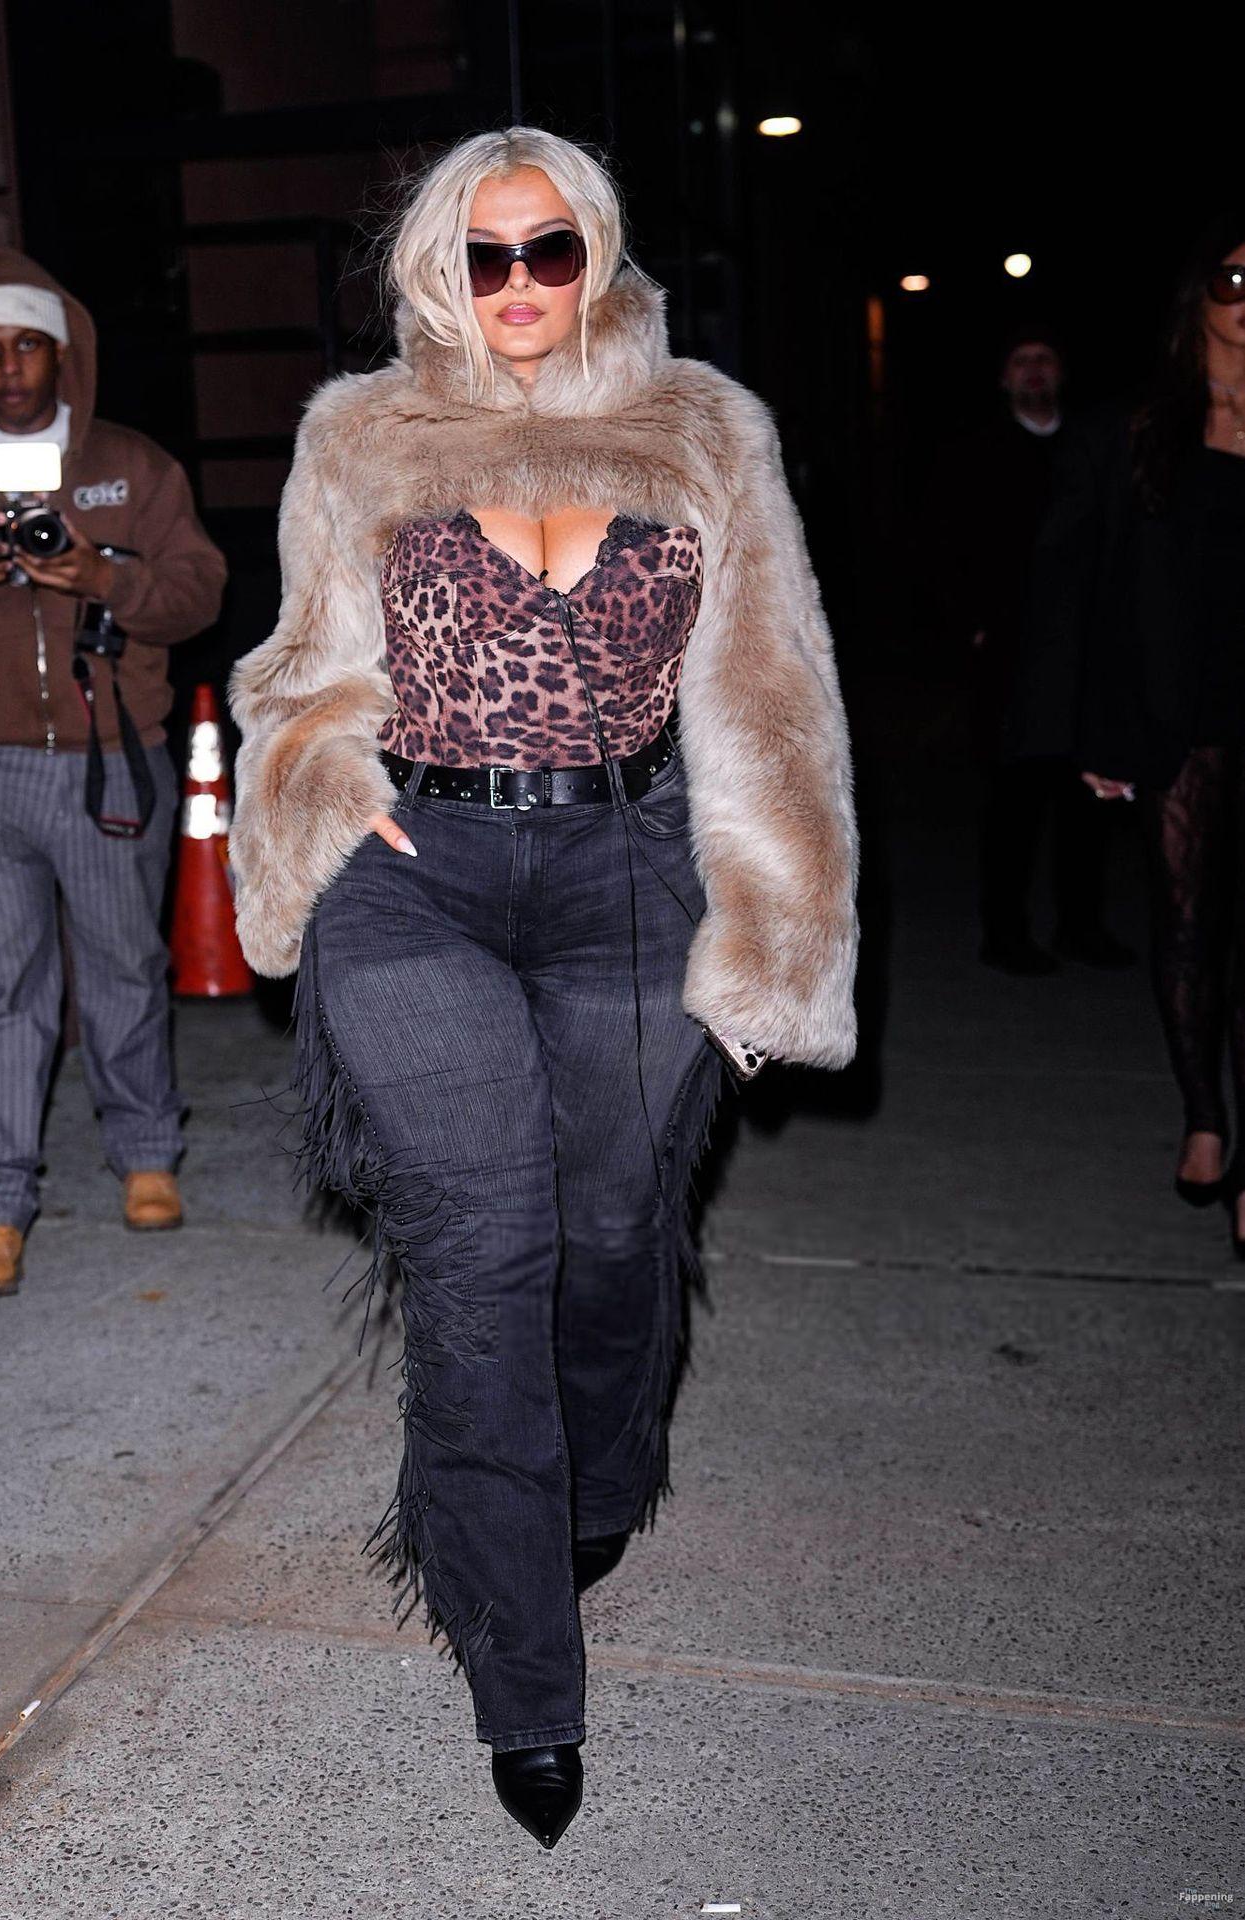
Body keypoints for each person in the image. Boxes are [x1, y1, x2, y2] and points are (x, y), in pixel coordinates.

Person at [226, 129, 857, 1847]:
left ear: (599, 254)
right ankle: (524, 1672)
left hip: (627, 874)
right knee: (483, 1250)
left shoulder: (704, 429)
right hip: (414, 877)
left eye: (547, 251)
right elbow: (297, 669)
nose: (515, 286)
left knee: (611, 1230)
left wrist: (778, 930)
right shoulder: (361, 433)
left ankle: (602, 1471)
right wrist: (320, 781)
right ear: (440, 266)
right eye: (483, 255)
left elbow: (771, 693)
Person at [0, 249, 227, 1299]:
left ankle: (146, 1155)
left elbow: (199, 592)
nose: (10, 367)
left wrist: (97, 572)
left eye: (28, 345)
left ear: (64, 355)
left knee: (123, 967)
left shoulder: (133, 466)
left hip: (114, 758)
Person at [1019, 218, 1245, 1249]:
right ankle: (1204, 1111)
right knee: (1191, 924)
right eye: (1234, 280)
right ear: (1199, 296)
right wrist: (1084, 733)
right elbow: (1073, 590)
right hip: (1179, 712)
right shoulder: (1134, 431)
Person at [930, 327, 1130, 974]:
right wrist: (971, 625)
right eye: (1022, 361)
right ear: (1003, 377)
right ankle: (1005, 933)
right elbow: (944, 543)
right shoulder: (977, 451)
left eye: (1045, 359)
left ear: (1062, 371)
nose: (1034, 371)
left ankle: (1081, 925)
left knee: (1088, 792)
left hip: (1087, 644)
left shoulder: (1097, 445)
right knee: (1013, 795)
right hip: (1012, 650)